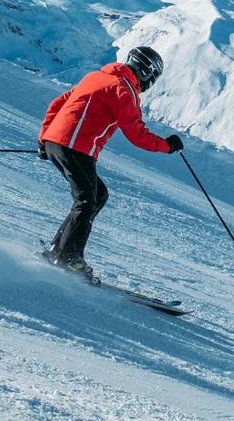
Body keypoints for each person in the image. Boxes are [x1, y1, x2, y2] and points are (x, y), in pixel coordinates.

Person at [39, 45, 182, 281]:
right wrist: (167, 146)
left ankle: (59, 250)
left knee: (97, 194)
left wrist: (44, 140)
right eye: (153, 78)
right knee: (87, 200)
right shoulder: (123, 90)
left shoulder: (96, 76)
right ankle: (69, 258)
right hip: (74, 147)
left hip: (60, 143)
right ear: (147, 72)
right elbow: (136, 133)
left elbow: (58, 103)